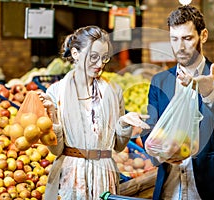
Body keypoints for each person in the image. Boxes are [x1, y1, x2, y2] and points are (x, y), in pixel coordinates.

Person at [142, 5, 214, 200]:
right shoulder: (159, 81)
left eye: (187, 38)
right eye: (174, 39)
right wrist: (161, 151)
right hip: (168, 189)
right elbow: (151, 130)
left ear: (203, 35)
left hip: (207, 190)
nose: (180, 47)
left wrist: (210, 94)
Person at [38, 25, 149, 200]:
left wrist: (123, 124)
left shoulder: (113, 91)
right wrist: (53, 115)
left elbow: (118, 147)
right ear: (75, 53)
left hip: (104, 175)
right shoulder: (56, 92)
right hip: (72, 175)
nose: (100, 65)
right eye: (93, 57)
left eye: (104, 58)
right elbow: (56, 149)